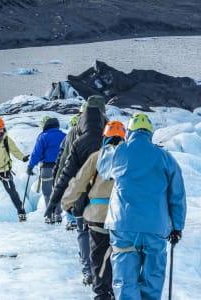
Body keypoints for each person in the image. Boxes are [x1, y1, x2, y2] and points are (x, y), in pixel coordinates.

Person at [97, 113, 186, 300]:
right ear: (150, 133)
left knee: (125, 281)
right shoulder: (166, 158)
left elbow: (103, 169)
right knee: (152, 281)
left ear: (129, 132)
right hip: (156, 228)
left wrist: (109, 145)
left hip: (123, 227)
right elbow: (177, 196)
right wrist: (177, 227)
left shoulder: (120, 152)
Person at [46, 95, 108, 285]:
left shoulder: (76, 136)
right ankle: (105, 276)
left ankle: (88, 270)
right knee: (104, 236)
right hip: (108, 199)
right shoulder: (111, 136)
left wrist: (55, 200)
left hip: (80, 194)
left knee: (83, 231)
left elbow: (65, 166)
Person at [62, 121, 126, 299]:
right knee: (121, 255)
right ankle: (118, 289)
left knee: (98, 257)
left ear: (105, 137)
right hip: (123, 216)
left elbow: (79, 181)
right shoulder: (130, 159)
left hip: (98, 217)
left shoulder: (97, 157)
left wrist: (67, 203)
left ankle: (102, 293)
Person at [26, 116, 66, 224]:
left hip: (47, 168)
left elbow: (37, 153)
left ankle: (49, 216)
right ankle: (58, 215)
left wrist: (30, 166)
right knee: (58, 192)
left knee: (47, 193)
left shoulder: (43, 137)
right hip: (61, 169)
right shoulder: (64, 136)